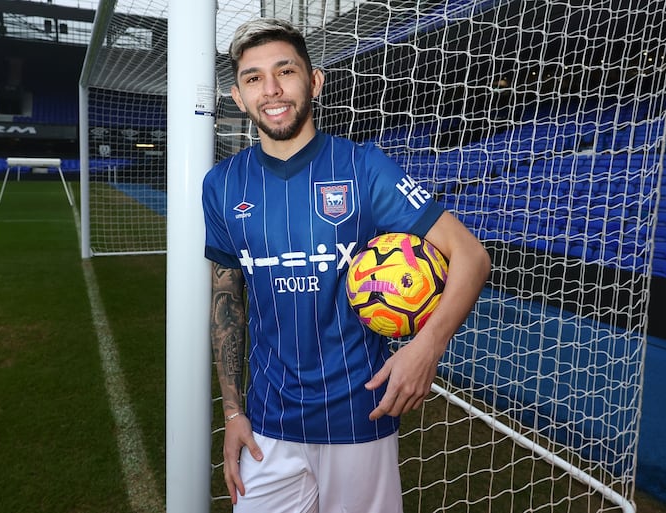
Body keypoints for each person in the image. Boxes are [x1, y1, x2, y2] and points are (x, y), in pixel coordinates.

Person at [202, 18, 491, 513]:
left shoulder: (362, 166)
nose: (271, 90)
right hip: (269, 424)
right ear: (238, 95)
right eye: (253, 78)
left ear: (314, 81)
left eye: (285, 71)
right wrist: (233, 412)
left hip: (360, 415)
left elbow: (471, 255)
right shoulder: (222, 185)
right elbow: (227, 299)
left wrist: (427, 347)